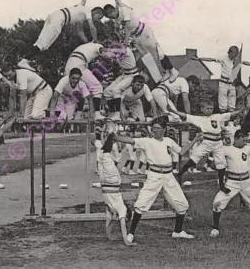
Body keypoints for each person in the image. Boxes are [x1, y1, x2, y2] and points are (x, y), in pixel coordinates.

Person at [112, 115, 202, 243]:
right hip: (154, 175)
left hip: (168, 175)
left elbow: (182, 152)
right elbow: (130, 140)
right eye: (153, 128)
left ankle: (177, 231)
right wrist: (114, 136)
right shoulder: (147, 141)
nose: (155, 130)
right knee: (141, 204)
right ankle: (131, 233)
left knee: (182, 205)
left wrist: (195, 140)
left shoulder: (168, 141)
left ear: (164, 129)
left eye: (158, 128)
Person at [170, 102, 242, 192]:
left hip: (218, 142)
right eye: (207, 108)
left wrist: (240, 110)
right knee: (195, 157)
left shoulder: (217, 116)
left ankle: (221, 185)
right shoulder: (199, 119)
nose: (209, 110)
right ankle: (180, 174)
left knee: (221, 163)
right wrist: (173, 111)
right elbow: (185, 115)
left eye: (211, 108)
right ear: (202, 109)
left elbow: (229, 114)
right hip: (207, 142)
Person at [102, 4, 178, 83]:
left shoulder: (124, 10)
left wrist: (125, 43)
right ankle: (160, 77)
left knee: (157, 54)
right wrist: (119, 36)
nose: (112, 18)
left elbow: (127, 27)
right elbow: (116, 29)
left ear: (113, 10)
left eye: (111, 16)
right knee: (147, 59)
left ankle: (173, 70)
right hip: (136, 36)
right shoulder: (116, 19)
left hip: (144, 31)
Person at [194, 46, 250, 112]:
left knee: (232, 104)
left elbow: (245, 62)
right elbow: (211, 59)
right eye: (233, 54)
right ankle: (223, 118)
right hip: (223, 83)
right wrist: (198, 59)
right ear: (229, 53)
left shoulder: (236, 60)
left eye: (236, 55)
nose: (234, 56)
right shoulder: (223, 58)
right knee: (223, 104)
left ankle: (230, 121)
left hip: (232, 83)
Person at [96, 133, 135, 246]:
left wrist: (110, 237)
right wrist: (127, 242)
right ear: (126, 215)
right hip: (110, 182)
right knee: (105, 157)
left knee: (103, 156)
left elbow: (107, 225)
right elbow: (122, 226)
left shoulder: (112, 210)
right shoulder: (120, 209)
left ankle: (111, 138)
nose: (122, 220)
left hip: (106, 182)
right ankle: (111, 137)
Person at [64, 42, 114, 120]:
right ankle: (97, 114)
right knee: (97, 88)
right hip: (78, 64)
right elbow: (106, 55)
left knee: (75, 94)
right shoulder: (98, 46)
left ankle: (68, 120)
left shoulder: (85, 46)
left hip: (69, 66)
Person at [31, 6, 104, 55]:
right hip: (59, 19)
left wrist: (88, 43)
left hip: (55, 16)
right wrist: (95, 40)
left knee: (41, 42)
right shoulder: (87, 11)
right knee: (43, 44)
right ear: (96, 12)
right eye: (99, 18)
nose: (97, 20)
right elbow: (92, 27)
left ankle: (26, 59)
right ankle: (25, 60)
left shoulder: (82, 15)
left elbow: (80, 31)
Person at [102, 44, 139, 119]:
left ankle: (118, 114)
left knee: (116, 90)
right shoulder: (117, 53)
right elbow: (106, 56)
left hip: (132, 75)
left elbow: (121, 50)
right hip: (124, 75)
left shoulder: (126, 50)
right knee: (107, 91)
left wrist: (107, 49)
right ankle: (112, 113)